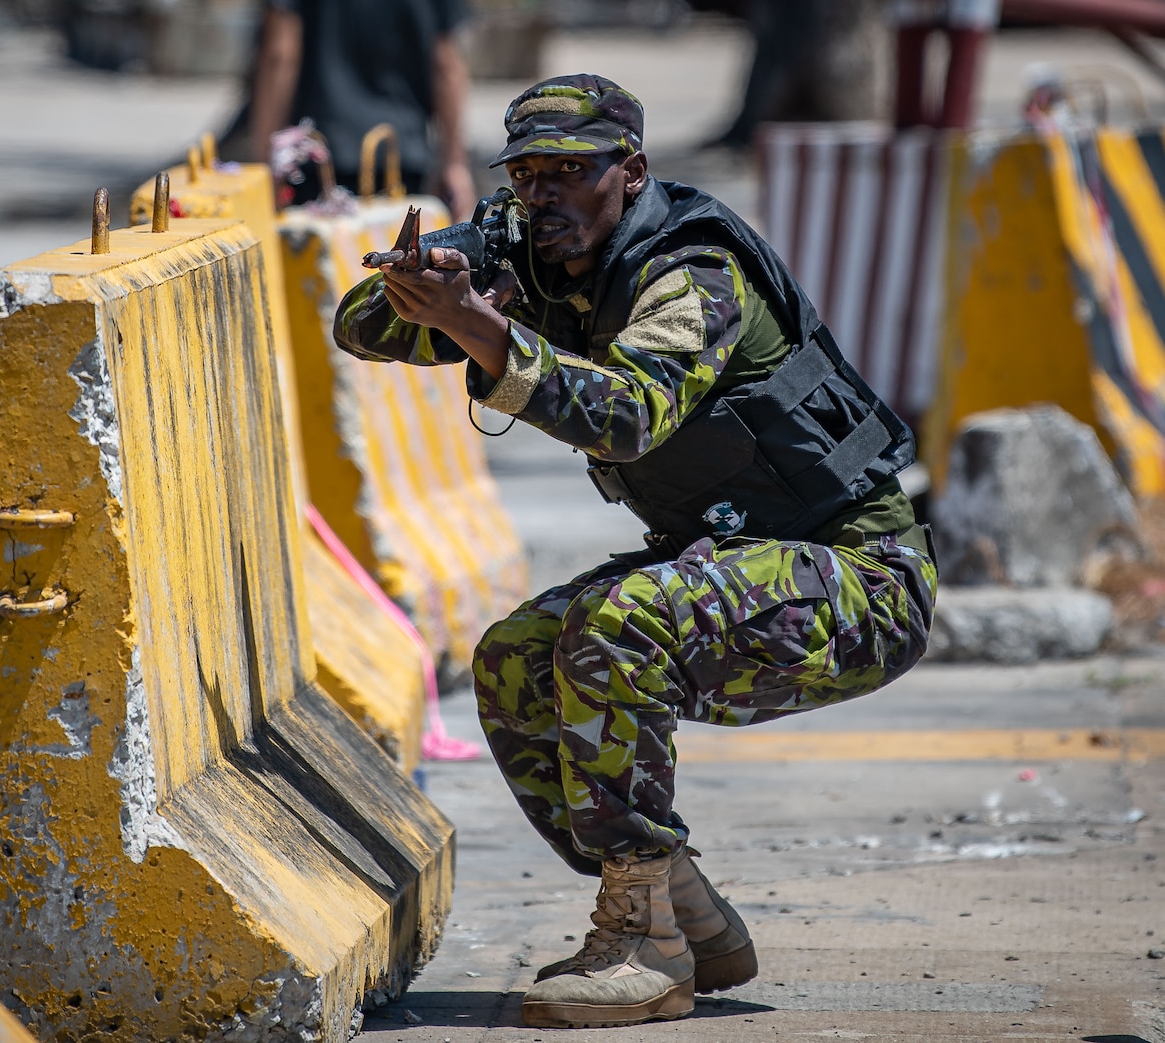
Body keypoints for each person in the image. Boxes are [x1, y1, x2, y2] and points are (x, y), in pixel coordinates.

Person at [332, 74, 936, 1028]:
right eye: (529, 176)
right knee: (519, 657)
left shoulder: (692, 271)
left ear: (632, 172)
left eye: (571, 173)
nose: (546, 197)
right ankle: (678, 906)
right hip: (733, 563)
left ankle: (643, 946)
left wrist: (478, 325)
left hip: (858, 577)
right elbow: (357, 328)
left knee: (619, 626)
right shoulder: (526, 254)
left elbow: (625, 416)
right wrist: (435, 276)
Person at [234, 0, 475, 217]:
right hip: (400, 158)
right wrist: (454, 162)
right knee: (394, 261)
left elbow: (281, 53)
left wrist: (266, 160)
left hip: (318, 159)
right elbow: (445, 63)